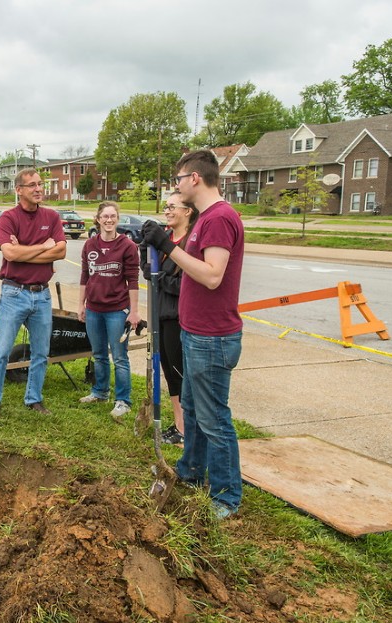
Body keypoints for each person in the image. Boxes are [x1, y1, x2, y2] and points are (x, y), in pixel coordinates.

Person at [142, 149, 245, 520]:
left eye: (179, 180)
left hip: (212, 337)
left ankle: (226, 497)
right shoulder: (206, 219)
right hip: (194, 331)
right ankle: (190, 470)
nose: (176, 186)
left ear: (195, 179)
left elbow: (212, 275)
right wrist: (159, 248)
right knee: (193, 410)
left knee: (214, 418)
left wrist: (167, 246)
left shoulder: (218, 218)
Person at [0, 169, 66, 417]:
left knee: (41, 352)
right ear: (19, 190)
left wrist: (25, 250)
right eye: (31, 185)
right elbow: (10, 254)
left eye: (40, 184)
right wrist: (43, 247)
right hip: (13, 293)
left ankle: (34, 399)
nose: (38, 189)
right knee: (2, 351)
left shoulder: (52, 216)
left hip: (42, 295)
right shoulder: (8, 218)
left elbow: (60, 251)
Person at [141, 192, 199, 446]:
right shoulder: (166, 240)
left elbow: (185, 285)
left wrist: (158, 278)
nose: (167, 211)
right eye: (166, 207)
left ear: (188, 211)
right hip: (161, 315)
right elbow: (153, 274)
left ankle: (187, 428)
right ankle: (179, 425)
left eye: (172, 206)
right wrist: (146, 258)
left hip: (179, 317)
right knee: (169, 373)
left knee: (179, 372)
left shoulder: (188, 244)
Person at [78, 201, 141, 422]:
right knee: (99, 354)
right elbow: (85, 276)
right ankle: (100, 392)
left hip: (117, 310)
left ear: (118, 218)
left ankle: (123, 401)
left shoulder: (127, 246)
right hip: (94, 309)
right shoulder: (89, 245)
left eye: (113, 216)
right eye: (105, 216)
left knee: (120, 357)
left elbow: (133, 280)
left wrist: (133, 312)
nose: (109, 220)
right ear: (98, 219)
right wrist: (81, 305)